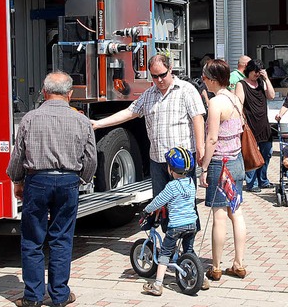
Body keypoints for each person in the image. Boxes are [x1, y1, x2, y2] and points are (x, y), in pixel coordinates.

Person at [6, 71, 97, 307]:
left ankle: (33, 297)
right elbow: (91, 159)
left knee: (33, 239)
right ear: (70, 94)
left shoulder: (29, 118)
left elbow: (18, 155)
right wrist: (82, 180)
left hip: (37, 181)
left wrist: (17, 181)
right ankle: (59, 295)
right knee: (62, 239)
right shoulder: (81, 120)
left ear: (44, 92)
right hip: (68, 181)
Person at [91, 54, 206, 196]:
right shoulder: (149, 94)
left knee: (184, 207)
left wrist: (201, 148)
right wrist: (99, 123)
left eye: (162, 75)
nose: (159, 80)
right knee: (160, 207)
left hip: (180, 161)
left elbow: (197, 118)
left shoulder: (186, 90)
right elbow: (129, 112)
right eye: (154, 76)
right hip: (157, 160)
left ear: (170, 69)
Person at [198, 59, 247, 282]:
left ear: (214, 79)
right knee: (236, 212)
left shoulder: (216, 103)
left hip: (220, 163)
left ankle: (216, 266)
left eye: (205, 77)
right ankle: (239, 263)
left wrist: (204, 167)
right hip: (237, 161)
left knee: (219, 216)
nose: (203, 80)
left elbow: (212, 138)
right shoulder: (235, 99)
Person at [141, 147, 205, 296]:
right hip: (192, 224)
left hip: (176, 226)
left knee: (165, 253)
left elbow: (158, 201)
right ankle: (202, 277)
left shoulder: (171, 187)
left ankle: (157, 284)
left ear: (170, 169)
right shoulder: (190, 183)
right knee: (188, 251)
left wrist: (147, 210)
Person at [235, 59, 276, 192]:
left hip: (263, 123)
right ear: (249, 70)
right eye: (255, 72)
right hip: (249, 123)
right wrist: (241, 120)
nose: (257, 75)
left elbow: (271, 96)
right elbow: (239, 103)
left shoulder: (261, 83)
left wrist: (266, 79)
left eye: (259, 72)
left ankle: (263, 179)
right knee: (250, 153)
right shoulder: (241, 84)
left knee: (267, 152)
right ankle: (252, 183)